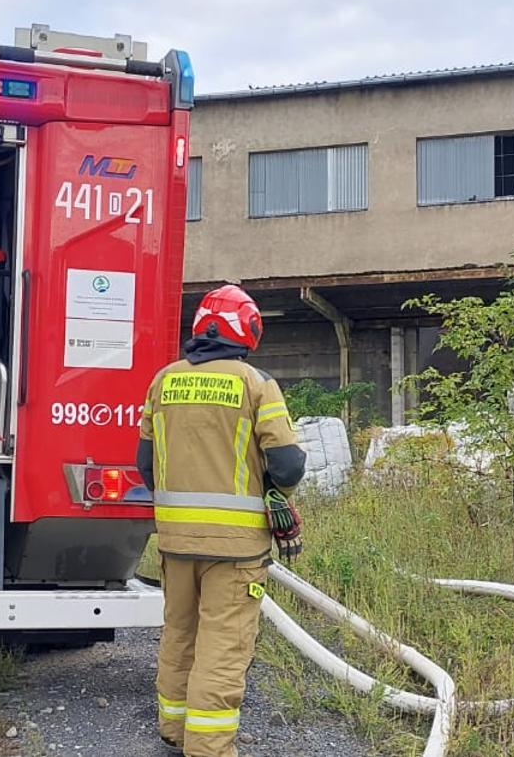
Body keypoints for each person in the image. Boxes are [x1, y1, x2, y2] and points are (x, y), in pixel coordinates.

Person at [137, 284, 304, 757]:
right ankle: (208, 746)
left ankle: (174, 728)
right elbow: (287, 465)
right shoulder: (255, 383)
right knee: (223, 644)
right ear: (248, 330)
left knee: (179, 632)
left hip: (174, 542)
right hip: (235, 549)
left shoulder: (163, 381)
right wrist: (277, 496)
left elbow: (144, 463)